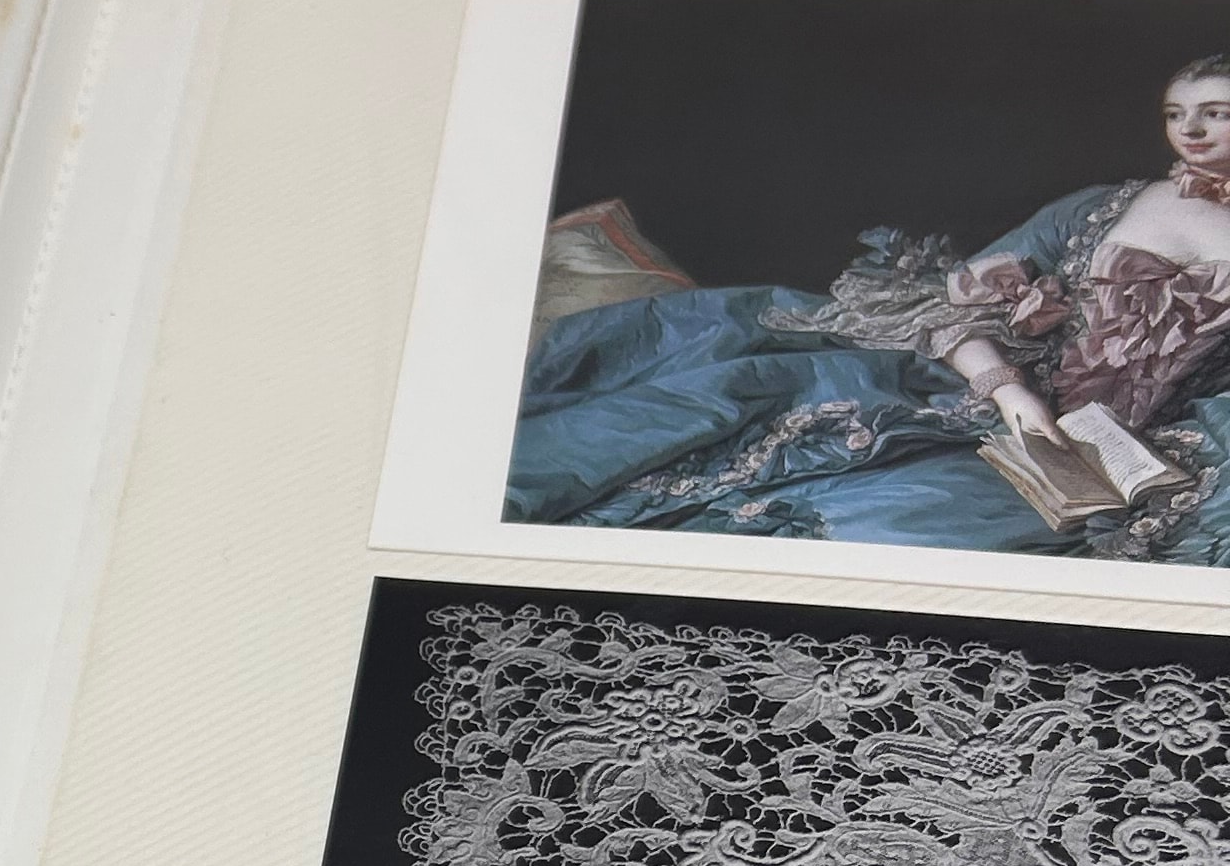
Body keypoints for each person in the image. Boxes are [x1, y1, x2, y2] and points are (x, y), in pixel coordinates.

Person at [512, 55, 1230, 561]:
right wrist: (1009, 393)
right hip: (988, 400)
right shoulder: (1106, 203)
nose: (1190, 131)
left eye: (1214, 113)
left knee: (923, 529)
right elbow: (954, 305)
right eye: (1176, 114)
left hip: (1141, 450)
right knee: (726, 399)